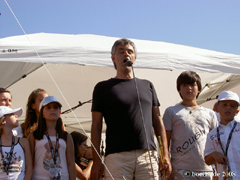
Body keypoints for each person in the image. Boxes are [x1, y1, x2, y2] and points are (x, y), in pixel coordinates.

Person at [91, 38, 171, 180]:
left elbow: (158, 121)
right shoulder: (102, 88)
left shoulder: (148, 85)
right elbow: (96, 125)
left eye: (130, 52)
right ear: (113, 58)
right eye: (121, 51)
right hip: (117, 156)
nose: (126, 54)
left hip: (147, 156)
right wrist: (97, 160)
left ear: (134, 58)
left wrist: (165, 155)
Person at [163, 71, 218, 179]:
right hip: (181, 169)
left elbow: (216, 143)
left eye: (192, 85)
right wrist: (166, 162)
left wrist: (218, 169)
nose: (189, 88)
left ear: (199, 89)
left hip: (206, 169)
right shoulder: (171, 111)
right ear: (179, 89)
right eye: (184, 85)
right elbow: (166, 140)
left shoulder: (210, 114)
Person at [28, 96, 76, 180]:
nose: (52, 110)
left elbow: (71, 163)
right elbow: (29, 162)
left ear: (59, 113)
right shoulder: (33, 136)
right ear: (42, 113)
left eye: (56, 107)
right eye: (48, 107)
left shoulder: (67, 136)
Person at [205, 91, 240, 179]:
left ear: (237, 111)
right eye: (224, 105)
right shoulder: (212, 134)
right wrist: (214, 155)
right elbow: (207, 161)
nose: (228, 108)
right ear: (217, 109)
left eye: (232, 106)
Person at [0, 106, 32, 179]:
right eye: (12, 114)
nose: (16, 115)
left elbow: (29, 167)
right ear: (3, 121)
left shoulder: (23, 142)